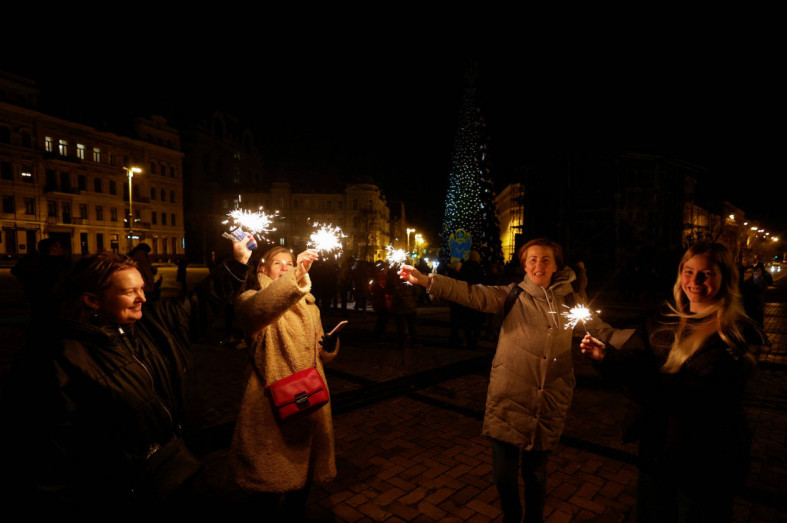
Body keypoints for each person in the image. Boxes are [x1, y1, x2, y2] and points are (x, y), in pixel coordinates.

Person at [0, 236, 253, 517]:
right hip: (122, 494)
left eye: (143, 288)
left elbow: (202, 301)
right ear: (93, 300)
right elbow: (45, 458)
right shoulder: (56, 360)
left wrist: (239, 260)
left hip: (180, 467)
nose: (142, 298)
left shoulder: (155, 322)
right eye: (129, 292)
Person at [399, 238, 630, 523]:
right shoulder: (512, 295)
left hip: (547, 400)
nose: (538, 265)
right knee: (503, 476)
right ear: (524, 265)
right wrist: (426, 280)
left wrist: (640, 341)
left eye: (545, 259)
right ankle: (512, 517)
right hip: (509, 397)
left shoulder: (571, 301)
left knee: (535, 476)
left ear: (556, 265)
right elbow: (471, 293)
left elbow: (600, 329)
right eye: (532, 259)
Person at [580, 242, 767, 522]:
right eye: (688, 271)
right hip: (657, 448)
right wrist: (605, 357)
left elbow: (699, 398)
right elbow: (635, 360)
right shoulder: (663, 319)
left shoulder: (738, 333)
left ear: (725, 277)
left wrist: (636, 376)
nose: (695, 281)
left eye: (707, 273)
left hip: (706, 458)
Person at [228, 246, 340, 521]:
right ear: (262, 270)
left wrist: (330, 346)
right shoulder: (249, 300)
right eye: (277, 263)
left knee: (300, 490)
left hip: (309, 402)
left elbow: (320, 354)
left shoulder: (310, 306)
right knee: (265, 492)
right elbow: (263, 307)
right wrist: (298, 275)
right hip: (270, 407)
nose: (286, 267)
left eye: (290, 263)